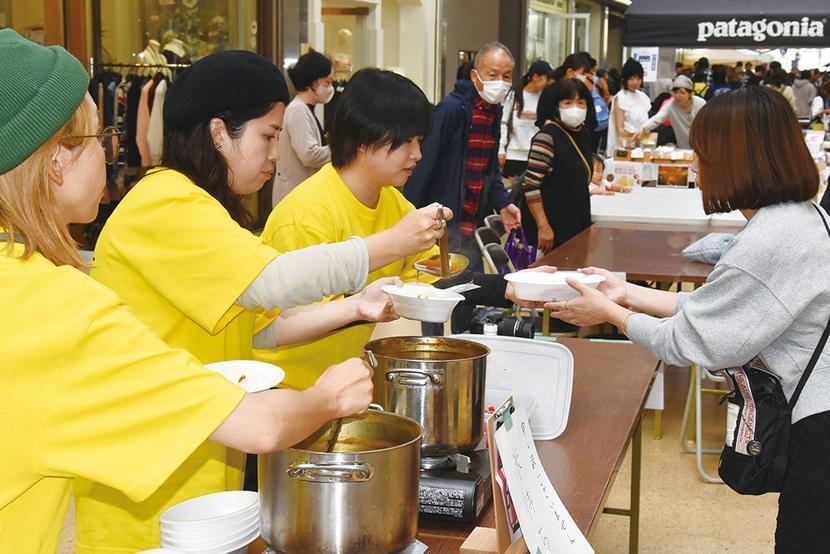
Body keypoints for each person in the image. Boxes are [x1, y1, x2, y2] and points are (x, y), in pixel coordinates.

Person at [0, 30, 375, 554]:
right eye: (99, 136)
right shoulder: (54, 303)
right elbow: (259, 425)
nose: (109, 152)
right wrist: (328, 396)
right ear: (56, 159)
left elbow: (259, 325)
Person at [77, 51, 445, 553]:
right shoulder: (164, 202)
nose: (276, 155)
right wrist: (387, 245)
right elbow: (272, 281)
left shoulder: (204, 208)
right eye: (268, 137)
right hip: (150, 472)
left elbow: (259, 327)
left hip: (200, 455)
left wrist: (356, 306)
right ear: (218, 132)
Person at [545, 86, 829, 552]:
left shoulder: (769, 241)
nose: (696, 167)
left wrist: (611, 314)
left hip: (818, 427)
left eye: (703, 154)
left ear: (735, 158)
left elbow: (688, 341)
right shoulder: (801, 217)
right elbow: (721, 308)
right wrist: (626, 292)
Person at [256, 68, 538, 390]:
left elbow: (435, 277)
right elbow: (284, 324)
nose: (417, 154)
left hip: (344, 380)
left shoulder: (391, 200)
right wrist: (364, 304)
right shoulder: (306, 215)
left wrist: (509, 288)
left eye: (419, 141)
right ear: (364, 138)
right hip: (288, 387)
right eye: (406, 141)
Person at [403, 41, 522, 272]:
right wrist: (411, 216)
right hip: (443, 220)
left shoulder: (494, 112)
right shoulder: (451, 109)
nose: (500, 82)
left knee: (471, 282)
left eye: (507, 76)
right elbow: (423, 166)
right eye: (493, 75)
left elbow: (489, 170)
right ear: (475, 76)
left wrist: (503, 203)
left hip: (472, 222)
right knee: (442, 282)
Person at [521, 79, 593, 254]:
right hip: (553, 225)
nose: (575, 108)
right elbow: (530, 185)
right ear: (556, 106)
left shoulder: (583, 134)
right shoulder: (547, 138)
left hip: (577, 219)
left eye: (581, 102)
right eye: (567, 103)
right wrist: (543, 226)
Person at [273, 50, 333, 206]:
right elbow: (309, 155)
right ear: (313, 83)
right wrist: (341, 150)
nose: (330, 88)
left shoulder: (305, 109)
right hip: (294, 192)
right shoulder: (298, 110)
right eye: (327, 83)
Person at [499, 59, 553, 181]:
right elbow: (503, 122)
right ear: (535, 77)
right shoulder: (514, 95)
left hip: (537, 154)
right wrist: (501, 149)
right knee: (513, 190)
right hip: (514, 153)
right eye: (546, 78)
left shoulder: (545, 97)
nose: (548, 82)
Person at [633, 75, 705, 149]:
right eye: (675, 92)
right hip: (685, 148)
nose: (678, 96)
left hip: (703, 146)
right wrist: (643, 128)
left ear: (689, 94)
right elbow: (656, 119)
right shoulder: (670, 107)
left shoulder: (700, 103)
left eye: (682, 93)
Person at [607, 58, 650, 151]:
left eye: (638, 78)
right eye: (631, 79)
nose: (635, 82)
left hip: (641, 145)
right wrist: (628, 145)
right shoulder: (620, 97)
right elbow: (620, 129)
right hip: (625, 147)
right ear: (625, 79)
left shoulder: (643, 97)